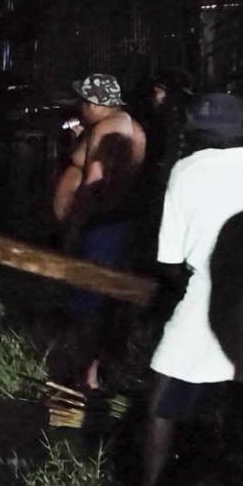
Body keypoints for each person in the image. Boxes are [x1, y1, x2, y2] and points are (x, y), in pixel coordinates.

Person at [126, 93, 243, 486]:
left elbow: (170, 262)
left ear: (201, 133)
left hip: (207, 306)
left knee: (164, 403)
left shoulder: (188, 170)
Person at [52, 72, 148, 388]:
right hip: (118, 224)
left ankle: (87, 377)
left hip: (101, 226)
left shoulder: (106, 129)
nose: (80, 107)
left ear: (95, 103)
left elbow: (94, 184)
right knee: (108, 299)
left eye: (83, 101)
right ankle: (98, 370)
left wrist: (75, 227)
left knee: (90, 302)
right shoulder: (130, 125)